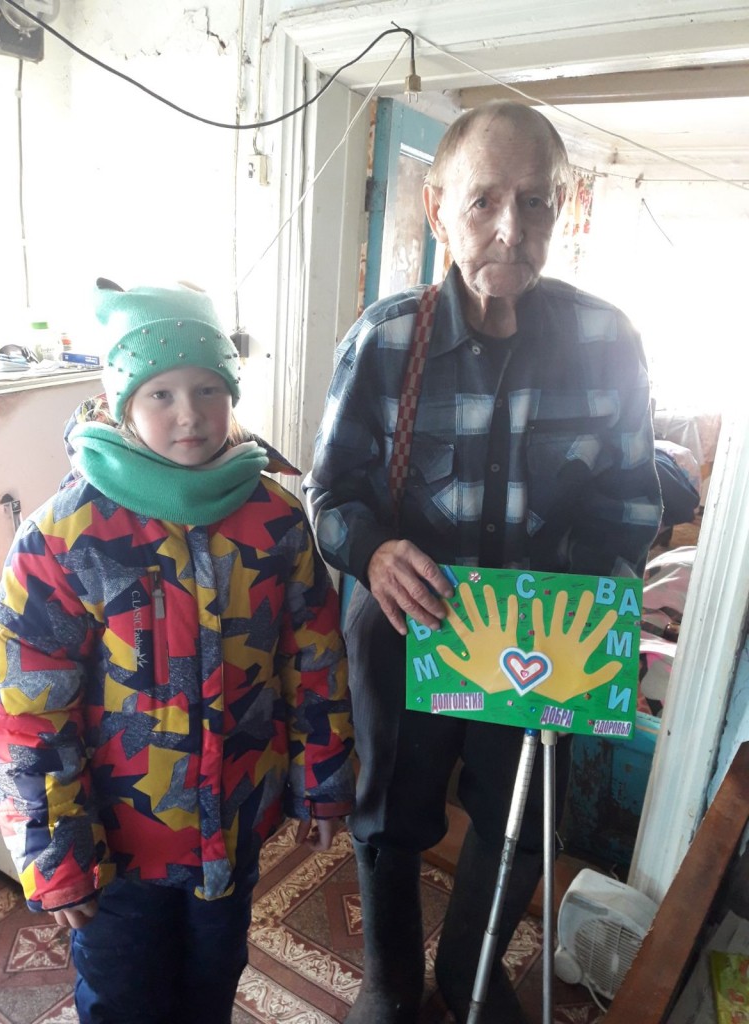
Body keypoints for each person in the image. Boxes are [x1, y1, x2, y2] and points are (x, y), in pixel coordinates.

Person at [304, 100, 662, 1024]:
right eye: (484, 201)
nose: (511, 226)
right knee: (390, 816)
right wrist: (373, 550)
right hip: (406, 630)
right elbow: (328, 493)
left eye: (535, 201)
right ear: (437, 210)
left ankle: (471, 973)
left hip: (545, 641)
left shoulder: (609, 343)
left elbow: (633, 504)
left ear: (561, 209)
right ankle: (389, 982)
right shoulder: (386, 340)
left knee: (520, 823)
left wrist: (602, 607)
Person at [0, 279, 355, 1024]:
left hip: (235, 828)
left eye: (209, 389)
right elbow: (25, 710)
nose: (190, 414)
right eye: (161, 394)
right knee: (124, 999)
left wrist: (323, 780)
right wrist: (57, 854)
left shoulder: (276, 519)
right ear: (121, 402)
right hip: (116, 853)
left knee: (211, 984)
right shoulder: (64, 537)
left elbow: (314, 658)